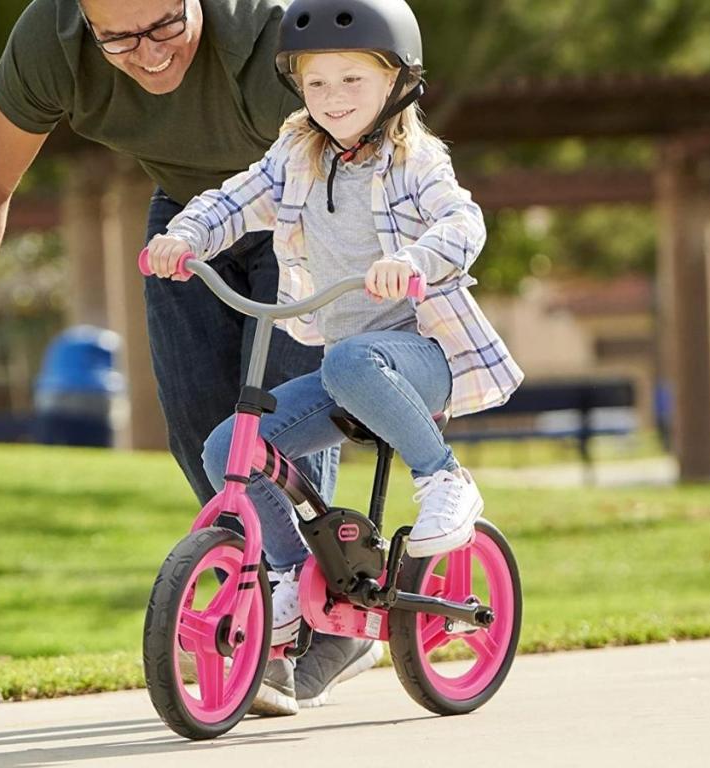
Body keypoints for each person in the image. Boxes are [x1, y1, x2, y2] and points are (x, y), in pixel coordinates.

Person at [0, 0, 373, 716]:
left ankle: (309, 624)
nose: (150, 53)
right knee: (205, 436)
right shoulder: (51, 39)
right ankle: (267, 609)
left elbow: (376, 150)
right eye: (119, 40)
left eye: (166, 26)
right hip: (190, 216)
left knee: (281, 425)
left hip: (311, 211)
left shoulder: (274, 34)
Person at [142, 0, 524, 713]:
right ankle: (291, 573)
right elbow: (232, 201)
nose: (333, 98)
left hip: (422, 358)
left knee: (350, 361)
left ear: (397, 83)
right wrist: (185, 236)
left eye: (352, 80)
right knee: (229, 447)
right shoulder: (295, 156)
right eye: (316, 83)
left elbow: (462, 221)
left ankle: (444, 478)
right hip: (345, 371)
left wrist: (414, 260)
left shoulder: (415, 161)